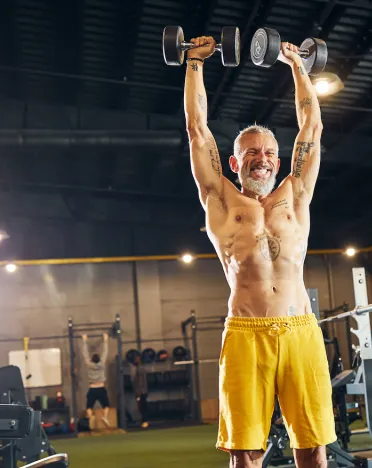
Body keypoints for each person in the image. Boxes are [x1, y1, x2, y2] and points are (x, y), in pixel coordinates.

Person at [184, 36, 334, 468]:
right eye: (251, 152)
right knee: (245, 455)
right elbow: (198, 128)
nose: (262, 158)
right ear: (235, 163)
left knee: (313, 450)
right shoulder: (220, 200)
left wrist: (298, 67)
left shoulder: (297, 193)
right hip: (246, 333)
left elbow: (312, 127)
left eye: (269, 152)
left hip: (300, 330)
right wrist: (194, 61)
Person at [81, 333, 110, 428]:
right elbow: (105, 352)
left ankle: (90, 417)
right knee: (106, 406)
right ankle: (105, 417)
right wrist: (105, 340)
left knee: (89, 407)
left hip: (92, 388)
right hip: (101, 388)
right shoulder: (102, 365)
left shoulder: (89, 365)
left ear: (91, 360)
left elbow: (85, 354)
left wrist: (84, 340)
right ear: (99, 360)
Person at [131, 354, 149, 429]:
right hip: (142, 391)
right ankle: (143, 421)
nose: (135, 360)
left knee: (142, 406)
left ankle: (145, 421)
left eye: (136, 359)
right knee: (141, 406)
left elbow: (140, 382)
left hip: (141, 392)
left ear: (139, 360)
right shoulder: (139, 368)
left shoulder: (139, 369)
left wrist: (138, 393)